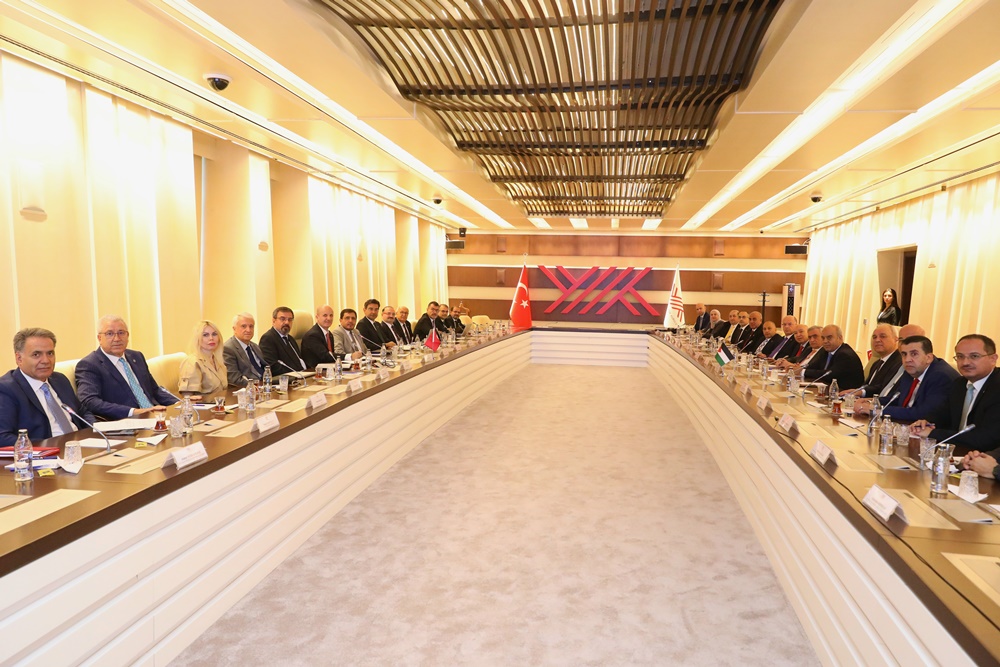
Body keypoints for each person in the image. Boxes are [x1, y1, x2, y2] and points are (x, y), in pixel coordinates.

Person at [0, 328, 93, 446]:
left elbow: (82, 412)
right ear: (19, 359)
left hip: (81, 445)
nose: (46, 360)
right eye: (36, 354)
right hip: (46, 452)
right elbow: (3, 437)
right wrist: (46, 447)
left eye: (50, 353)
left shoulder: (60, 379)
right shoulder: (6, 389)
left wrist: (96, 432)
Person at [76, 315, 178, 420]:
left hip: (155, 416)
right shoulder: (89, 365)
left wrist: (179, 404)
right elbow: (90, 401)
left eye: (121, 333)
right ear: (99, 338)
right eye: (110, 334)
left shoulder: (137, 356)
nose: (117, 339)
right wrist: (134, 412)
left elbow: (154, 390)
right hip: (126, 421)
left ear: (127, 335)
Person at [912, 334, 1000, 453]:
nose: (965, 362)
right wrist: (927, 422)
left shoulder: (997, 387)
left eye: (974, 356)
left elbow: (985, 439)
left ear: (993, 359)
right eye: (960, 356)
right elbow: (943, 414)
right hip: (957, 452)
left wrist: (933, 433)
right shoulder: (959, 383)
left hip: (986, 458)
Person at [873, 336, 957, 421]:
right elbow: (896, 398)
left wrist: (877, 410)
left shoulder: (940, 376)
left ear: (928, 358)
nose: (907, 360)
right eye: (904, 354)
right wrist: (871, 403)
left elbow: (924, 414)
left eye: (914, 354)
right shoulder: (912, 370)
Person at [803, 324, 864, 389]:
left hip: (845, 392)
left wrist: (803, 372)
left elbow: (829, 375)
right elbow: (812, 367)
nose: (825, 341)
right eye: (823, 338)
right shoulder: (825, 351)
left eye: (829, 337)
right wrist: (801, 370)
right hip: (828, 389)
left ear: (840, 338)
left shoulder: (845, 355)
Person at [178, 320, 228, 396]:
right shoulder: (192, 362)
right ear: (197, 339)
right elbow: (188, 397)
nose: (211, 338)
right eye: (205, 335)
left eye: (214, 334)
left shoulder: (217, 360)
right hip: (203, 403)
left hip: (220, 401)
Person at [849, 325, 900, 398]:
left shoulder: (899, 362)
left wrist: (862, 392)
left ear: (896, 339)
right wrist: (854, 391)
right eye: (874, 337)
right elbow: (867, 386)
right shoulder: (876, 363)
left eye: (883, 336)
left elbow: (883, 388)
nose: (877, 340)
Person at [259, 306, 307, 375]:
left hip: (301, 376)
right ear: (274, 321)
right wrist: (295, 374)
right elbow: (272, 366)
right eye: (282, 319)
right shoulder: (267, 339)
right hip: (285, 378)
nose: (287, 322)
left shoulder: (291, 339)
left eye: (290, 319)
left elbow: (298, 361)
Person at [223, 312, 266, 387]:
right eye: (243, 326)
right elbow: (234, 379)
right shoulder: (228, 349)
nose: (248, 330)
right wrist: (258, 386)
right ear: (234, 329)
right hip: (248, 389)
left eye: (251, 326)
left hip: (266, 386)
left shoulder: (255, 346)